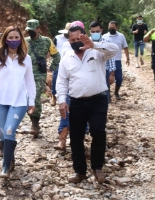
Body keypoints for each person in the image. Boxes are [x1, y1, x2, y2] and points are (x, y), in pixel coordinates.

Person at [56, 25, 118, 183]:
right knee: (76, 136)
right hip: (76, 102)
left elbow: (114, 50)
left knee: (98, 131)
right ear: (69, 41)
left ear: (84, 37)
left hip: (98, 99)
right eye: (73, 40)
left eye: (79, 39)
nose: (76, 42)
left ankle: (97, 167)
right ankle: (80, 171)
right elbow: (62, 81)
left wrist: (94, 44)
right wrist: (62, 101)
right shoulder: (67, 58)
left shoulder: (97, 52)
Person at [0, 26, 36, 178]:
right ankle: (10, 158)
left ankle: (5, 168)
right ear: (5, 39)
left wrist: (32, 100)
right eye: (10, 38)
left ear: (21, 39)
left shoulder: (26, 58)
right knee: (4, 134)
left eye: (17, 38)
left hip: (19, 102)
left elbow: (30, 81)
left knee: (10, 131)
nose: (14, 41)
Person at [25, 19, 61, 138]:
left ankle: (35, 125)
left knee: (34, 96)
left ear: (38, 29)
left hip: (39, 74)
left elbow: (57, 56)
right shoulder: (24, 42)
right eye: (28, 30)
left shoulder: (47, 41)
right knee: (26, 98)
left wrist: (51, 68)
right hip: (25, 74)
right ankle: (33, 121)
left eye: (32, 30)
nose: (30, 32)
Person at [54, 21, 86, 151]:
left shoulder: (93, 48)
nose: (76, 41)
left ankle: (79, 141)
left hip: (85, 88)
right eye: (73, 38)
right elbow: (62, 67)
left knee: (83, 116)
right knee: (65, 111)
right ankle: (63, 138)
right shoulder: (67, 46)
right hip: (69, 81)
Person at [89, 21, 116, 103]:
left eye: (97, 31)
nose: (95, 33)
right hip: (90, 71)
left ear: (101, 31)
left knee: (104, 92)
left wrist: (112, 74)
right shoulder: (86, 43)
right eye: (93, 32)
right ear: (89, 31)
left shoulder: (107, 42)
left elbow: (111, 59)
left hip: (104, 71)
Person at [102, 21, 130, 100]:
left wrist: (127, 58)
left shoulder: (121, 36)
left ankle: (116, 92)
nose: (111, 29)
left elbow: (125, 47)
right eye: (110, 27)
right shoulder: (104, 36)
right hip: (107, 61)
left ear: (117, 28)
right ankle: (108, 95)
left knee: (119, 78)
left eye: (113, 28)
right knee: (107, 78)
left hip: (117, 60)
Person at [50, 22, 71, 106]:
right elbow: (51, 49)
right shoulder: (57, 38)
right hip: (59, 62)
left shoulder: (74, 39)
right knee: (55, 79)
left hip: (70, 63)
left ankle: (67, 97)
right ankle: (53, 96)